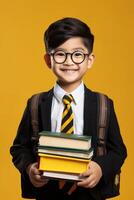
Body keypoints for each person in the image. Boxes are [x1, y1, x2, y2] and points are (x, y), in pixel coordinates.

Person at [10, 17, 127, 200]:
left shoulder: (103, 104)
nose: (69, 61)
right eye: (60, 54)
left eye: (78, 54)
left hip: (90, 194)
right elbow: (19, 148)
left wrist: (100, 168)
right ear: (48, 60)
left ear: (90, 60)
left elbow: (118, 151)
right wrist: (29, 168)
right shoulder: (35, 103)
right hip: (48, 193)